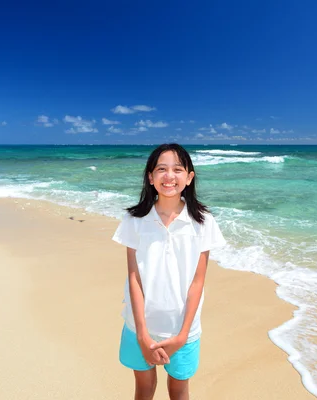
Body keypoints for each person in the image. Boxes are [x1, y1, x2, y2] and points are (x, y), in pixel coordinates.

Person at [112, 143, 226, 400]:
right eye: (161, 169)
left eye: (177, 169)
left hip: (183, 329)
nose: (169, 176)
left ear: (189, 177)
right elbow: (134, 278)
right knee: (143, 388)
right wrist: (142, 334)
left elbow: (198, 282)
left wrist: (182, 335)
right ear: (150, 177)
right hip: (139, 324)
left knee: (178, 389)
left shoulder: (203, 221)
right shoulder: (134, 219)